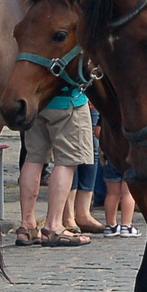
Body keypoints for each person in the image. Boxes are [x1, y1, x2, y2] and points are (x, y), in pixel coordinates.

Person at [14, 79, 93, 246]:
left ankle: (27, 226)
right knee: (66, 161)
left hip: (36, 100)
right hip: (68, 99)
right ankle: (54, 226)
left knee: (33, 158)